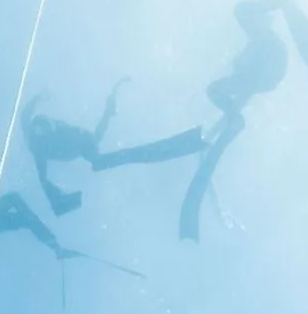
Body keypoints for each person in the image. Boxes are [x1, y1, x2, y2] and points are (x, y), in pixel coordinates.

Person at [181, 0, 308, 241]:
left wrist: (279, 2)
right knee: (221, 99)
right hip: (257, 77)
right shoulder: (262, 40)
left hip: (260, 76)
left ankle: (226, 122)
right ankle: (222, 125)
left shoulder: (266, 41)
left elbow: (245, 17)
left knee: (216, 91)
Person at [20, 84, 205, 217]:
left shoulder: (57, 137)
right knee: (95, 158)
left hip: (74, 145)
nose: (42, 131)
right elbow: (41, 173)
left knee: (95, 156)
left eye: (46, 127)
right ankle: (59, 201)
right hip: (71, 147)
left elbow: (26, 115)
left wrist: (38, 98)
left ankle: (59, 201)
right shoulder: (38, 144)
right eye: (42, 129)